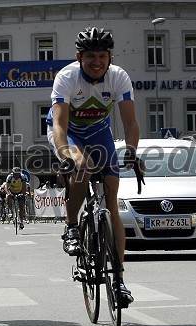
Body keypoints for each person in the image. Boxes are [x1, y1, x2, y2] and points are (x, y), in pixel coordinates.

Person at [46, 27, 140, 305]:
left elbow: (131, 123)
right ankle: (72, 226)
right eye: (90, 57)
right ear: (79, 57)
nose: (96, 62)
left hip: (99, 132)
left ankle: (120, 279)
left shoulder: (119, 77)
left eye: (102, 56)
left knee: (112, 199)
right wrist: (66, 155)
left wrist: (132, 152)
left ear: (110, 56)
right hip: (69, 132)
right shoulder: (67, 77)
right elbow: (60, 125)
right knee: (82, 165)